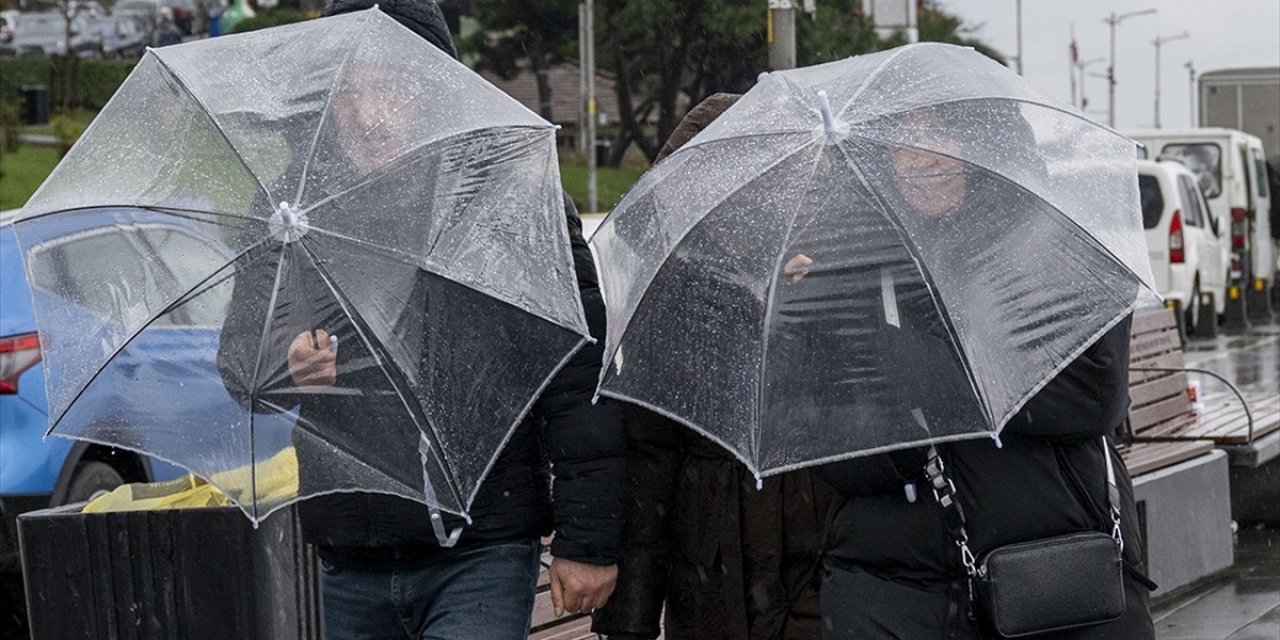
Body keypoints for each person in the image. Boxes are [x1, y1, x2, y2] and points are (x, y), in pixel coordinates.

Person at [216, 1, 626, 638]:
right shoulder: (289, 210)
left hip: (481, 547)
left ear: (439, 89)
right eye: (349, 90)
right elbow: (240, 363)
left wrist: (589, 540)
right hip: (349, 554)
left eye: (393, 87)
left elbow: (577, 382)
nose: (368, 114)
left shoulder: (507, 195)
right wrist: (282, 366)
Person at [810, 106, 1157, 638]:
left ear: (989, 143)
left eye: (941, 132)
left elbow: (1093, 397)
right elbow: (833, 449)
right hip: (895, 589)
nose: (919, 156)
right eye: (900, 139)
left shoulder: (1059, 246)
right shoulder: (844, 265)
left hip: (1055, 572)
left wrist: (941, 371)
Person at [592, 94, 834, 640]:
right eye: (704, 184)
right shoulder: (668, 298)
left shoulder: (836, 272)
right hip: (711, 579)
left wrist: (815, 302)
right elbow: (652, 463)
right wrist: (628, 621)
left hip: (818, 564)